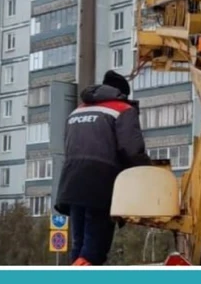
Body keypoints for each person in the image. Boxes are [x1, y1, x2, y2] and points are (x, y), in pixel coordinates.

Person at [54, 70, 152, 266]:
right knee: (93, 250)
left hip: (71, 183)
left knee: (79, 245)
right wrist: (147, 176)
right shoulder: (123, 109)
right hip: (100, 185)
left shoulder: (77, 111)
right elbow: (132, 150)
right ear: (121, 93)